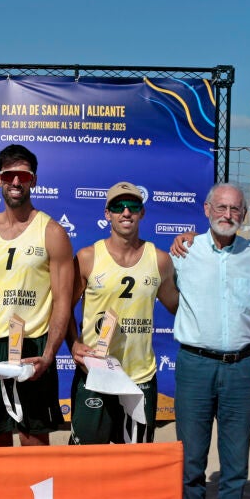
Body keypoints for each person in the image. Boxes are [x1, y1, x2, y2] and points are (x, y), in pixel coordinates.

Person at [172, 183, 250, 499]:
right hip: (195, 366)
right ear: (206, 209)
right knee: (191, 459)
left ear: (244, 215)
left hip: (241, 367)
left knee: (235, 462)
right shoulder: (184, 251)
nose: (227, 215)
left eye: (235, 209)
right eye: (221, 207)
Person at [0, 144, 74, 447]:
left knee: (33, 440)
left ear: (33, 180)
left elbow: (63, 302)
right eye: (9, 175)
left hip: (32, 344)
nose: (16, 182)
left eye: (23, 176)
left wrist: (49, 355)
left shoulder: (52, 232)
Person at [68, 181, 177, 445]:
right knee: (87, 460)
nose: (126, 212)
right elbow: (63, 308)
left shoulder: (160, 259)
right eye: (118, 207)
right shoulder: (87, 257)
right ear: (108, 214)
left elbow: (177, 307)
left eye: (133, 206)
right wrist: (73, 344)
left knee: (135, 461)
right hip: (95, 372)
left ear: (142, 212)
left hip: (139, 377)